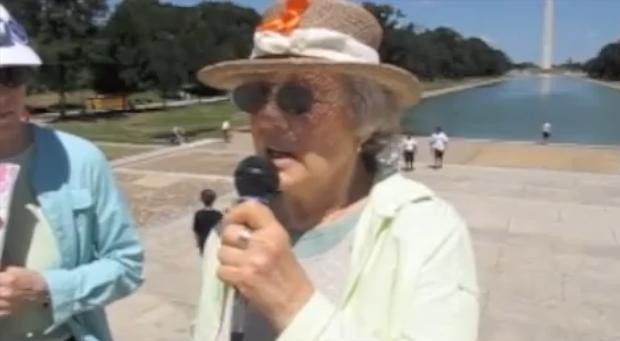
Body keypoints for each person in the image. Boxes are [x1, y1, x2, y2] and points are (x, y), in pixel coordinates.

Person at [193, 1, 479, 341]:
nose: (268, 118)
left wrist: (293, 304)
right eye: (255, 94)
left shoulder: (428, 234)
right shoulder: (232, 230)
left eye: (299, 99)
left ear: (363, 118)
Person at [0, 5, 144, 341]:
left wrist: (47, 288)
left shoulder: (80, 159)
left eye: (10, 75)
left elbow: (127, 265)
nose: (1, 93)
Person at [193, 189, 223, 255]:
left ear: (202, 200)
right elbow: (220, 230)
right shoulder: (218, 214)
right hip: (214, 241)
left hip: (203, 240)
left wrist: (198, 241)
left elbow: (196, 229)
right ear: (214, 199)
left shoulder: (198, 214)